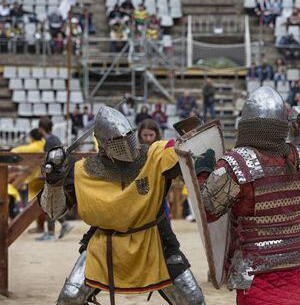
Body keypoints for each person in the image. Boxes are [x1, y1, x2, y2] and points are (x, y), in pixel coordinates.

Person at [39, 106, 204, 304]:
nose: (126, 145)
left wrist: (194, 138)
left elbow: (178, 151)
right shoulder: (83, 171)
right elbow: (53, 211)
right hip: (104, 243)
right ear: (103, 144)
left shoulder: (154, 155)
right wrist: (53, 181)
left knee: (192, 299)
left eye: (129, 137)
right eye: (118, 142)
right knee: (70, 297)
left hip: (154, 239)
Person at [195, 86, 300, 304]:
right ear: (283, 126)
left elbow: (207, 210)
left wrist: (202, 174)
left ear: (245, 126)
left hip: (256, 272)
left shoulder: (237, 164)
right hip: (296, 267)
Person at [36, 117, 73, 241]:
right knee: (51, 201)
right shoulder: (55, 139)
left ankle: (51, 233)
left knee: (49, 201)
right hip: (60, 175)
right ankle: (64, 224)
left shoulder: (50, 141)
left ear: (41, 129)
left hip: (54, 176)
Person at [11, 129, 46, 232]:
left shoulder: (34, 146)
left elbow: (17, 151)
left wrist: (11, 150)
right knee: (38, 204)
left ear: (32, 137)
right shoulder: (43, 143)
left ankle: (40, 227)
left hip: (34, 178)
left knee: (34, 205)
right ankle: (41, 227)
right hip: (40, 175)